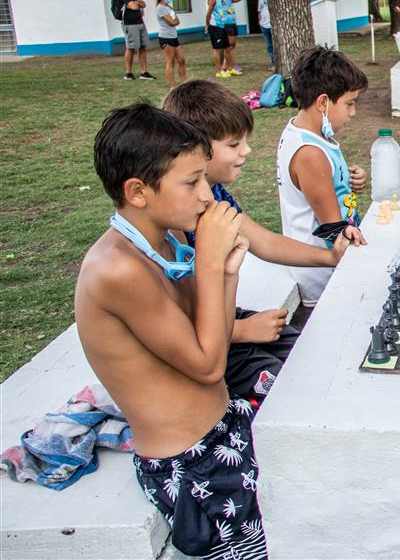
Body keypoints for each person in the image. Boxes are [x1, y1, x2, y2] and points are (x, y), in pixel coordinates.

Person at [76, 103, 265, 558]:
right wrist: (209, 260)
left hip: (222, 429)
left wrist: (225, 274)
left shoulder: (165, 241)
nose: (207, 194)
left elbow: (207, 327)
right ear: (138, 191)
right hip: (191, 464)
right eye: (192, 182)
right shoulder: (117, 269)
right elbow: (206, 365)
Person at [163, 80, 354, 397]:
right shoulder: (173, 221)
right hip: (206, 348)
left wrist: (330, 257)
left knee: (322, 356)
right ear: (195, 149)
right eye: (234, 144)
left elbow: (264, 242)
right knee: (301, 393)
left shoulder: (214, 195)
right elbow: (174, 318)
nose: (246, 151)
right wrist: (241, 331)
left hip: (223, 324)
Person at [276, 47, 369, 319]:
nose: (353, 112)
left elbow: (328, 185)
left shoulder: (309, 134)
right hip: (322, 274)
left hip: (328, 263)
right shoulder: (310, 153)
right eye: (350, 103)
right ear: (323, 103)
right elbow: (333, 230)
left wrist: (349, 180)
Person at [110, 0, 155, 81]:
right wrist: (136, 3)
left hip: (139, 21)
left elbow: (143, 4)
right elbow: (134, 6)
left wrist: (136, 2)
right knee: (131, 47)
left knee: (142, 46)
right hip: (130, 23)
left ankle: (144, 72)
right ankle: (128, 73)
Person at [154, 0, 186, 89]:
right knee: (170, 62)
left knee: (181, 60)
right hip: (166, 37)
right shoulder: (160, 8)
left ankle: (184, 82)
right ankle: (172, 86)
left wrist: (174, 20)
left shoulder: (169, 7)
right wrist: (174, 21)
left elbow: (177, 21)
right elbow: (172, 22)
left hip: (174, 36)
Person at [205, 0, 231, 79]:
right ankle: (219, 71)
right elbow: (208, 13)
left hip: (222, 25)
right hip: (214, 26)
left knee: (227, 48)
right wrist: (207, 24)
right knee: (217, 49)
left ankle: (226, 68)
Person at [219, 0, 244, 75]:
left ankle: (227, 65)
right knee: (229, 47)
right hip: (226, 24)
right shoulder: (218, 0)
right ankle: (230, 65)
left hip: (233, 23)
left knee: (232, 46)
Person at [258, 0, 274, 69]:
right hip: (264, 25)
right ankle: (273, 62)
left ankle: (277, 63)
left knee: (276, 45)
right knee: (269, 46)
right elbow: (259, 11)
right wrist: (260, 22)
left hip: (272, 25)